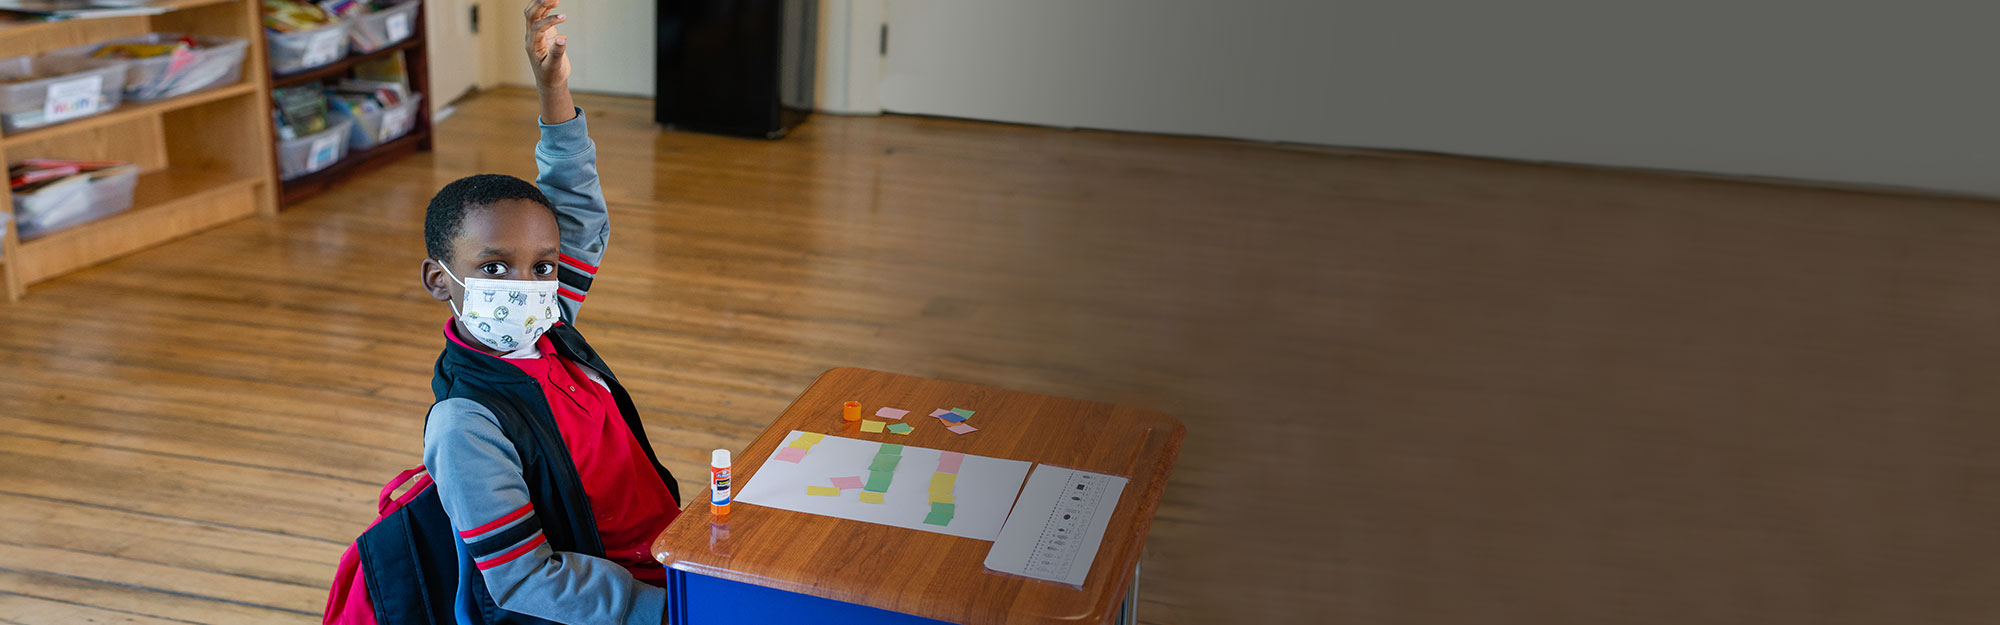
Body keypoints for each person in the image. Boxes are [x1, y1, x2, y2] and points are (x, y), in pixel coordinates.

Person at [417, 1, 680, 622]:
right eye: (492, 267)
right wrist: (666, 612)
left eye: (543, 266)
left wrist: (553, 89)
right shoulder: (465, 427)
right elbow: (527, 582)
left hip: (665, 564)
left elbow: (576, 208)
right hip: (626, 608)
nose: (526, 286)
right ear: (439, 279)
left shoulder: (550, 325)